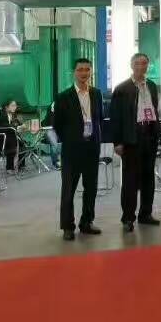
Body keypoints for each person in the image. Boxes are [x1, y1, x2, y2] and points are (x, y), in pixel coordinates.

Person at [53, 58, 103, 241]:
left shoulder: (96, 94)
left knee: (91, 188)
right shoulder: (63, 97)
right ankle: (68, 226)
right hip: (72, 151)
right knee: (68, 190)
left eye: (87, 69)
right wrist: (71, 139)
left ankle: (87, 222)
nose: (84, 73)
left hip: (91, 148)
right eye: (80, 69)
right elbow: (57, 124)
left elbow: (99, 118)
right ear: (74, 72)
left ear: (91, 72)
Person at [111, 53, 161, 232]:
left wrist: (157, 132)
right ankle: (128, 218)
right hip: (132, 138)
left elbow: (155, 109)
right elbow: (115, 117)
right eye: (138, 63)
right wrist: (117, 142)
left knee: (148, 177)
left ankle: (145, 214)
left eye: (145, 63)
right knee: (130, 180)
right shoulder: (122, 89)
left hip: (150, 135)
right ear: (132, 66)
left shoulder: (152, 86)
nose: (142, 66)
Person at [0, 100, 23, 171]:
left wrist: (20, 125)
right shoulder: (0, 116)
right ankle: (10, 167)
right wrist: (17, 127)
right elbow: (7, 127)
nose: (15, 107)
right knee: (14, 141)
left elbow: (15, 126)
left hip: (8, 138)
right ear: (6, 107)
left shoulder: (12, 115)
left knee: (21, 142)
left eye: (15, 105)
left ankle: (20, 166)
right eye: (12, 105)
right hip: (0, 140)